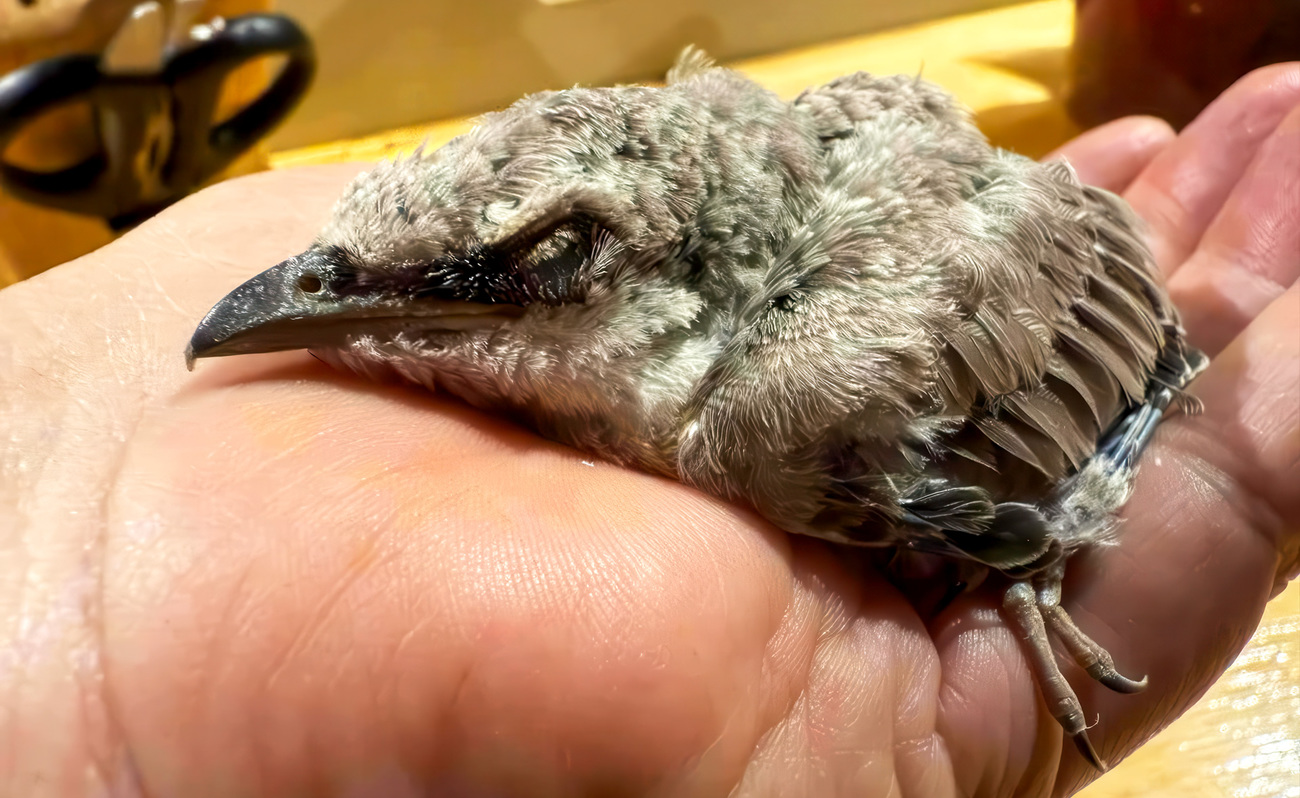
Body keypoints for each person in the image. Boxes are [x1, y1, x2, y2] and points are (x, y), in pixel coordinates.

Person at [1, 62, 1296, 798]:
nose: (329, 308)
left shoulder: (793, 407)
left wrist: (1022, 549)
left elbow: (1130, 400)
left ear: (665, 287)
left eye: (547, 258)